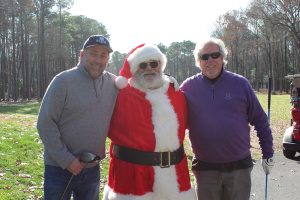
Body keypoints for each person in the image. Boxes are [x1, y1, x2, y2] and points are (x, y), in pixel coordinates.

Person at [180, 37, 274, 200]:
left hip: (239, 168)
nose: (210, 60)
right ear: (199, 62)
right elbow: (172, 115)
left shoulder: (240, 84)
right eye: (204, 57)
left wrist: (268, 152)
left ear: (223, 58)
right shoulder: (188, 87)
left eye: (214, 55)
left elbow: (260, 120)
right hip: (205, 170)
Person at [102, 44, 197, 200]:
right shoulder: (120, 94)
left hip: (173, 177)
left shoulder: (176, 94)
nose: (149, 68)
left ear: (161, 65)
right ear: (134, 68)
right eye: (143, 65)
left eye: (154, 64)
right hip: (133, 180)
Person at [37, 35, 118, 200]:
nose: (98, 59)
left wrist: (167, 81)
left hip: (91, 168)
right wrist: (67, 160)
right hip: (59, 168)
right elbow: (45, 123)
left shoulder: (113, 83)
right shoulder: (63, 81)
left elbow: (141, 84)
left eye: (103, 55)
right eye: (93, 53)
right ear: (82, 55)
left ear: (108, 59)